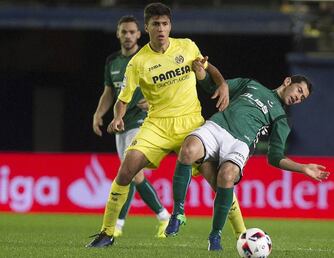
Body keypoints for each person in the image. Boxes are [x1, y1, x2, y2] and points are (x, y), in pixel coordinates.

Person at [86, 2, 246, 248]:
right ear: (146, 28)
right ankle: (107, 232)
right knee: (127, 168)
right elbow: (122, 98)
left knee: (217, 180)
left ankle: (242, 235)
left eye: (164, 24)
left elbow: (207, 67)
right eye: (155, 24)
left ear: (170, 26)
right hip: (157, 125)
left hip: (191, 123)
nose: (161, 29)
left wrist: (222, 83)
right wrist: (118, 117)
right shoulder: (138, 62)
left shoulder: (187, 46)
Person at [165, 58, 330, 251]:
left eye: (303, 98)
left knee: (226, 177)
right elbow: (215, 87)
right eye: (299, 91)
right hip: (218, 125)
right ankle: (178, 212)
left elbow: (275, 157)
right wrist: (201, 72)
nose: (298, 98)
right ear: (287, 82)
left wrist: (303, 168)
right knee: (188, 150)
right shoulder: (250, 84)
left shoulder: (282, 119)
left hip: (240, 143)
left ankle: (215, 235)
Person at [92, 15, 170, 239]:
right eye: (124, 32)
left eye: (132, 32)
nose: (128, 36)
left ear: (139, 34)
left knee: (133, 174)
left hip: (142, 121)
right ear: (118, 34)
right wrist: (99, 113)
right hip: (121, 123)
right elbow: (110, 92)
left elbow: (166, 84)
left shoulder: (148, 57)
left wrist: (155, 100)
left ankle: (160, 217)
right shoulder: (112, 61)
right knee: (129, 174)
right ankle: (124, 222)